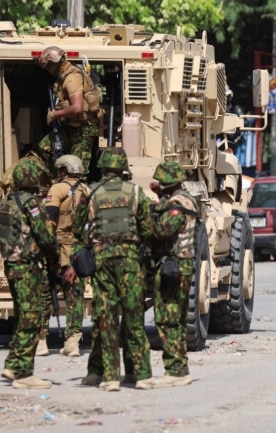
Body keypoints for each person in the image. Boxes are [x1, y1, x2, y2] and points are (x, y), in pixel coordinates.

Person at [72, 147, 153, 391]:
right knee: (133, 317)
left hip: (102, 260)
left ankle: (110, 377)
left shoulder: (91, 192)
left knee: (105, 317)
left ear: (102, 166)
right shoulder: (136, 192)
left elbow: (77, 227)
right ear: (123, 166)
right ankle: (142, 376)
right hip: (129, 261)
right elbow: (147, 228)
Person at [0, 160, 58, 389]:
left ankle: (13, 365)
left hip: (11, 266)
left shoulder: (6, 203)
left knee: (24, 316)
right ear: (33, 180)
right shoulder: (32, 204)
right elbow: (45, 236)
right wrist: (54, 258)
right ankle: (24, 375)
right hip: (27, 266)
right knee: (32, 317)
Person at [145, 160, 200, 388]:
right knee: (175, 319)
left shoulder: (177, 204)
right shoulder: (186, 198)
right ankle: (180, 368)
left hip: (172, 265)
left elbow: (163, 230)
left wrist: (147, 216)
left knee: (167, 319)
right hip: (181, 265)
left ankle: (175, 371)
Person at [34, 46, 102, 182]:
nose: (48, 70)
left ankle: (78, 196)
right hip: (72, 126)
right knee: (44, 148)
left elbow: (77, 108)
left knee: (77, 170)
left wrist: (55, 114)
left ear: (55, 63)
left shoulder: (71, 78)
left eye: (48, 67)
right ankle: (55, 182)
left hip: (84, 129)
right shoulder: (64, 76)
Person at [43, 154, 89, 357]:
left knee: (45, 292)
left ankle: (41, 341)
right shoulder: (88, 190)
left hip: (58, 248)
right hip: (79, 250)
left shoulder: (58, 188)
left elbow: (49, 220)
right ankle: (72, 342)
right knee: (75, 296)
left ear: (63, 170)